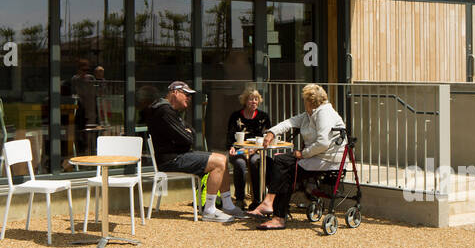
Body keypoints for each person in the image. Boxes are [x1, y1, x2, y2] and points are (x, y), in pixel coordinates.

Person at [141, 81, 245, 221]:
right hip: (172, 159)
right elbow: (188, 138)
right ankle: (209, 210)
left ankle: (227, 205)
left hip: (179, 155)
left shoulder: (170, 111)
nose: (189, 98)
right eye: (186, 94)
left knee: (223, 158)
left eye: (190, 96)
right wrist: (186, 133)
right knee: (218, 162)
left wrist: (186, 133)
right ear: (175, 92)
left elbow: (191, 133)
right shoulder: (164, 111)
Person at [247, 84, 345, 230]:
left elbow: (323, 143)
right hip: (315, 158)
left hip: (327, 160)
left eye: (304, 100)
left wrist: (303, 154)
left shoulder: (324, 114)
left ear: (309, 101)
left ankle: (273, 207)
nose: (303, 103)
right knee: (281, 166)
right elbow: (289, 122)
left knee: (283, 165)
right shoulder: (310, 114)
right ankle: (274, 209)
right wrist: (272, 133)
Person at [226, 86, 271, 207]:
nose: (254, 102)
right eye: (251, 99)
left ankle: (257, 199)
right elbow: (230, 136)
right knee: (239, 163)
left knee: (255, 162)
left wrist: (255, 149)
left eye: (256, 99)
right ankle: (240, 199)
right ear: (245, 101)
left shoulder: (263, 117)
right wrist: (231, 147)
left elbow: (266, 137)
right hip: (238, 150)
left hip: (256, 151)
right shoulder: (236, 116)